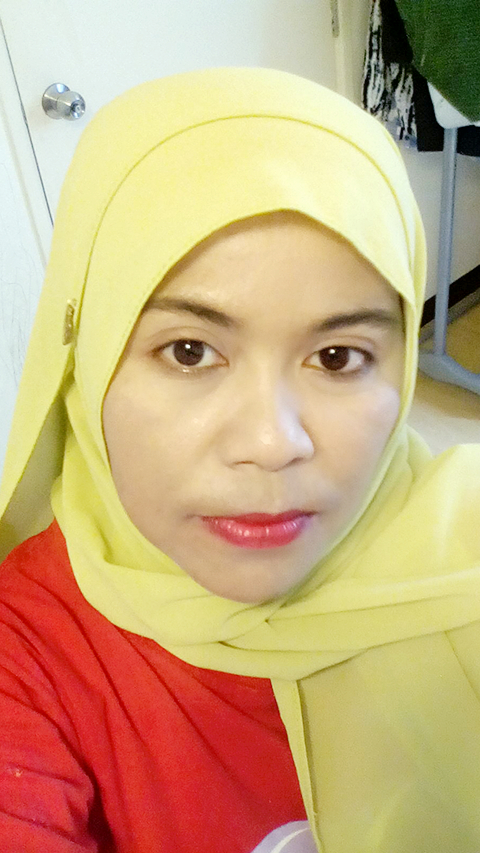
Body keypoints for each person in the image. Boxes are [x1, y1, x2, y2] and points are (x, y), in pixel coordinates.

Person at [0, 67, 479, 853]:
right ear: (89, 358)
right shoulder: (28, 655)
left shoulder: (463, 559)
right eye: (189, 350)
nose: (271, 441)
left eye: (337, 356)